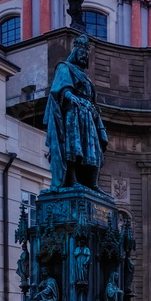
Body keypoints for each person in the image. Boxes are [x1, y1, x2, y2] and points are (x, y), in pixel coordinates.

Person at [44, 34, 109, 191]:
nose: (84, 57)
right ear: (75, 53)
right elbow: (61, 88)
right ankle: (72, 180)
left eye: (86, 55)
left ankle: (92, 183)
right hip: (73, 113)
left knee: (94, 149)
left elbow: (91, 96)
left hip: (88, 114)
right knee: (73, 146)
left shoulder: (85, 76)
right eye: (82, 54)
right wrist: (71, 96)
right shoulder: (64, 67)